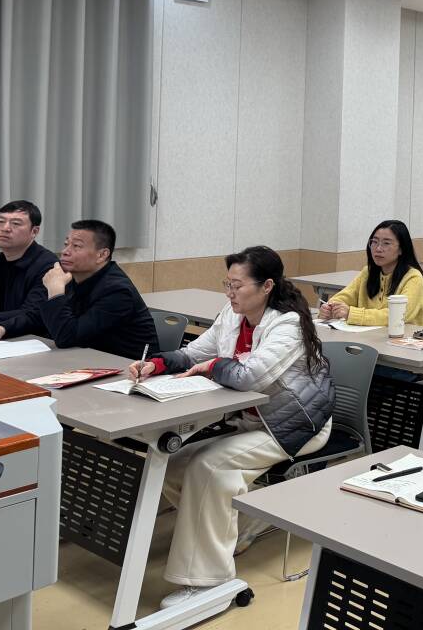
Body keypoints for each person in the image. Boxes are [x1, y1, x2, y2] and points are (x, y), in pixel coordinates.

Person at [127, 246, 334, 607]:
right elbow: (194, 353)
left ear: (267, 286)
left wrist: (213, 367)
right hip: (249, 419)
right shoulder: (232, 315)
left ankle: (208, 582)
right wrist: (156, 365)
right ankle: (230, 529)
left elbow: (251, 376)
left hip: (292, 425)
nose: (230, 293)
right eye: (227, 284)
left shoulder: (287, 325)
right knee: (172, 465)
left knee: (208, 468)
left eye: (237, 286)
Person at [0, 219, 156, 359]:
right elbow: (36, 316)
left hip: (125, 370)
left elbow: (67, 337)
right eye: (66, 244)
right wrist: (3, 329)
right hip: (83, 360)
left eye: (76, 246)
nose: (65, 252)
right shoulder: (72, 276)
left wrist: (55, 292)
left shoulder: (117, 291)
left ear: (102, 255)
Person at [318, 220, 423, 327]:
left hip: (402, 337)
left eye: (386, 243)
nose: (378, 249)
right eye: (374, 242)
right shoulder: (367, 272)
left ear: (401, 249)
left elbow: (397, 315)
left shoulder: (413, 277)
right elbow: (344, 296)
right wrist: (330, 308)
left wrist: (351, 313)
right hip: (369, 335)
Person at [0, 200, 55, 327]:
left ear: (34, 231)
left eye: (16, 223)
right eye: (1, 221)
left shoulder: (48, 266)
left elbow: (33, 314)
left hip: (29, 336)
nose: (5, 228)